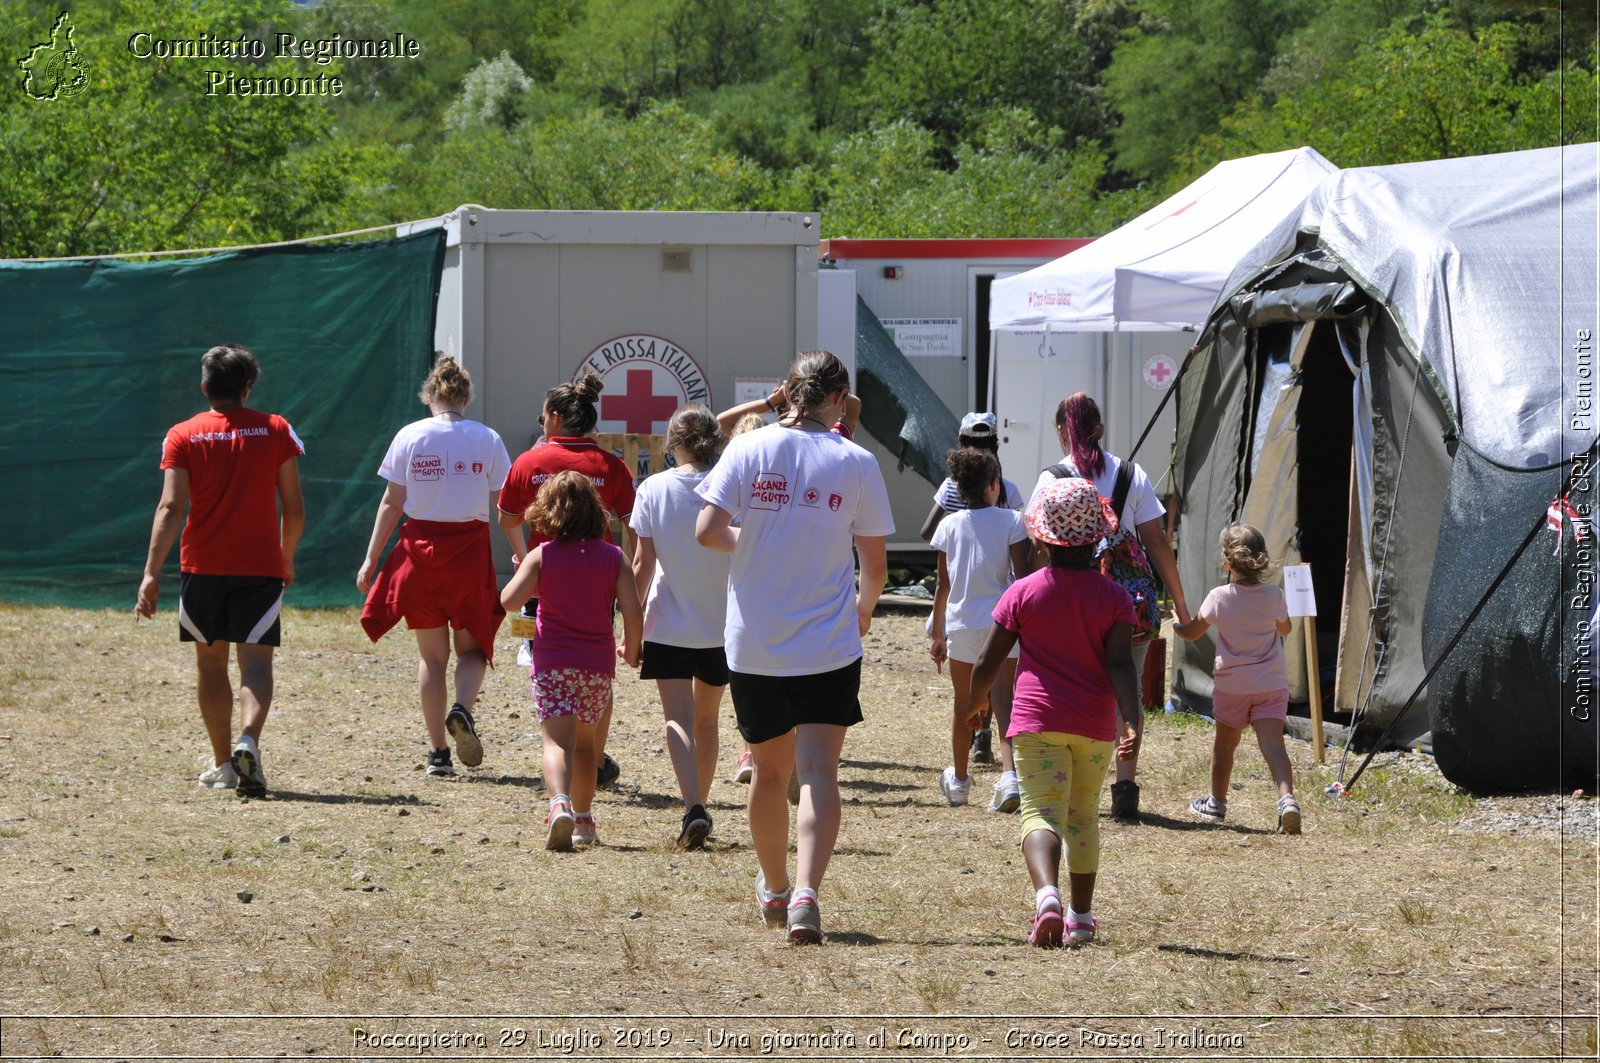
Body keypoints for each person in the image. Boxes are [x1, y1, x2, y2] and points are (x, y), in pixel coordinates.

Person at [696, 350, 893, 944]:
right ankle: (808, 890)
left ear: (786, 392)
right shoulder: (856, 461)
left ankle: (776, 887)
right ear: (839, 398)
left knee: (768, 771)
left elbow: (706, 530)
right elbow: (876, 565)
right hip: (829, 642)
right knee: (818, 772)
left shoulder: (749, 448)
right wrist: (862, 611)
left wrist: (757, 544)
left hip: (756, 643)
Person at [967, 477, 1141, 947]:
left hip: (1036, 723)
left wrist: (977, 702)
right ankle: (1081, 919)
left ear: (1041, 538)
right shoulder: (1115, 599)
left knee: (1040, 813)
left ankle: (1047, 895)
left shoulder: (1023, 592)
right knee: (1083, 815)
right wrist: (1132, 719)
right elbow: (1122, 665)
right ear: (1097, 538)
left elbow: (987, 661)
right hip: (1094, 726)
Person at [135, 343, 305, 799]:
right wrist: (284, 556)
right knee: (255, 663)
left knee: (211, 665)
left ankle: (223, 764)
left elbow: (171, 507)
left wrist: (151, 573)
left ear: (204, 387)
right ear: (248, 387)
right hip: (260, 568)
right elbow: (294, 508)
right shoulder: (276, 430)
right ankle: (250, 740)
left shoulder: (182, 434)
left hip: (202, 567)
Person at [1030, 392, 1191, 823]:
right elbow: (1156, 541)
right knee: (1129, 690)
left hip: (1071, 606)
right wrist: (1180, 603)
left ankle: (1072, 782)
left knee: (1069, 687)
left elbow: (1037, 546)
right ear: (1099, 429)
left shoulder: (1051, 480)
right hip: (1127, 603)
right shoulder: (1131, 475)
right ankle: (1125, 787)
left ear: (1062, 431)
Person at [356, 355, 512, 777]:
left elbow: (392, 502)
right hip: (468, 555)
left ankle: (438, 754)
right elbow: (505, 506)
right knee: (474, 647)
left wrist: (371, 558)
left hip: (419, 555)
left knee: (431, 659)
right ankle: (462, 707)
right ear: (466, 397)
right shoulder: (487, 438)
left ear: (430, 396)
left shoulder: (410, 435)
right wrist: (522, 551)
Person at [499, 369, 636, 789]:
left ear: (555, 418)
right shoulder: (611, 465)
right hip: (598, 582)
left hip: (545, 582)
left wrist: (526, 561)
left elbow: (507, 519)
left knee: (550, 669)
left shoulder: (529, 462)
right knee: (598, 668)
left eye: (543, 420)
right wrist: (622, 570)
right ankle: (591, 757)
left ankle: (559, 757)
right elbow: (633, 526)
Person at [501, 471, 643, 850]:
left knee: (555, 742)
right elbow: (632, 611)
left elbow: (509, 602)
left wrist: (523, 574)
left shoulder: (541, 556)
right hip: (596, 668)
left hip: (553, 665)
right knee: (584, 746)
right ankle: (583, 819)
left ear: (548, 512)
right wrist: (632, 649)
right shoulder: (614, 557)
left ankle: (559, 803)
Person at [630, 405, 731, 849]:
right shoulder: (731, 487)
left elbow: (641, 564)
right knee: (706, 720)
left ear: (674, 444)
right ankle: (700, 802)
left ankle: (693, 805)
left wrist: (629, 626)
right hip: (724, 625)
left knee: (678, 718)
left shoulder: (653, 488)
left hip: (667, 622)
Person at [1172, 524, 1302, 834]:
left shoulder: (1219, 597)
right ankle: (1287, 801)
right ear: (1262, 558)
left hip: (1233, 687)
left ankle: (1216, 803)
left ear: (1226, 563)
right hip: (1271, 684)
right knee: (1273, 744)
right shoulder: (1274, 594)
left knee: (1225, 746)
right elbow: (1285, 629)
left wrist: (1178, 624)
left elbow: (1192, 632)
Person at [920, 411, 1025, 768]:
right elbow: (1023, 574)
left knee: (962, 701)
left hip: (961, 620)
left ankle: (961, 779)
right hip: (1002, 619)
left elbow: (941, 584)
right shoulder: (1010, 504)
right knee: (1004, 698)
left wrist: (937, 634)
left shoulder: (950, 505)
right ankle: (1009, 775)